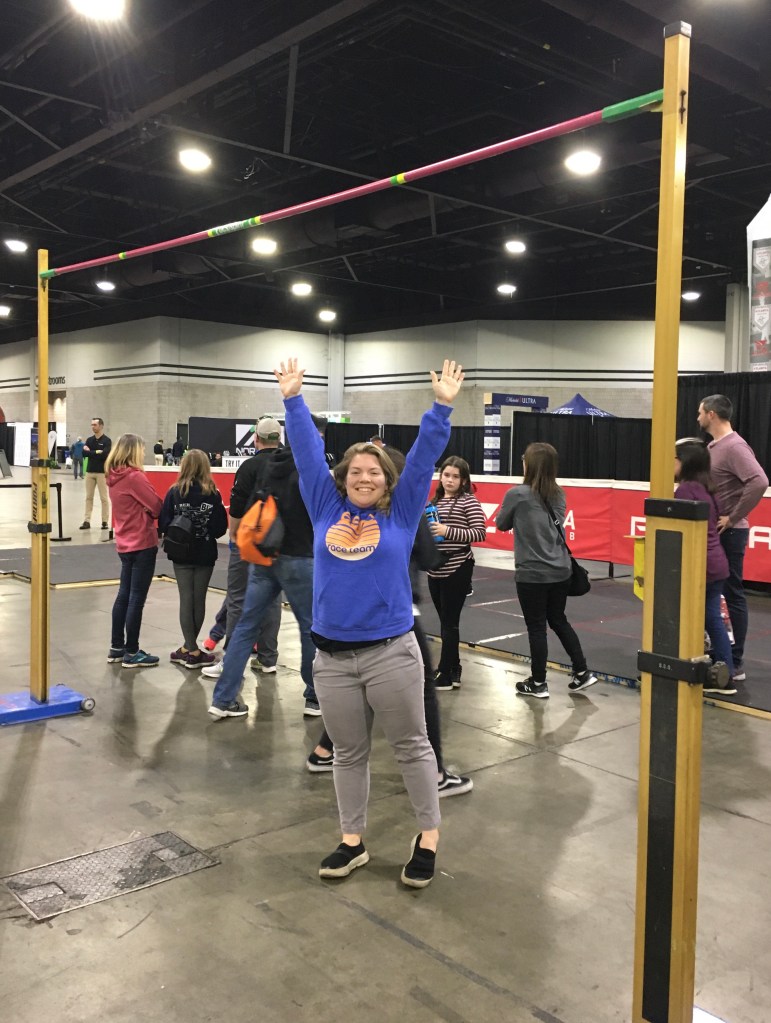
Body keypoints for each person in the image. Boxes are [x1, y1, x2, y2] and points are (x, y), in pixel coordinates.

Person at [279, 355, 463, 889]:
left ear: (387, 483)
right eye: (356, 471)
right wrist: (293, 400)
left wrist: (441, 408)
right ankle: (351, 841)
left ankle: (427, 837)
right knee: (348, 753)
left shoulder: (402, 514)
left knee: (412, 746)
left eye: (373, 472)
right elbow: (309, 456)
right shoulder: (323, 506)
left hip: (390, 653)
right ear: (345, 478)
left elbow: (426, 457)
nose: (364, 477)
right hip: (330, 658)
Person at [207, 414, 318, 719]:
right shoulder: (309, 471)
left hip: (264, 556)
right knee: (309, 629)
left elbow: (243, 510)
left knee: (245, 626)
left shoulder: (266, 468)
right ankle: (313, 697)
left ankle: (224, 698)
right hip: (300, 559)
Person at [496, 442, 598, 698]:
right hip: (561, 570)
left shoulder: (517, 494)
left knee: (536, 627)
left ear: (528, 465)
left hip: (532, 573)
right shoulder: (559, 494)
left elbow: (500, 523)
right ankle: (582, 671)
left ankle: (538, 682)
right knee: (558, 619)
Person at [201, 416, 283, 683]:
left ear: (256, 439)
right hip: (279, 544)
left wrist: (234, 536)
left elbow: (236, 508)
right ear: (278, 439)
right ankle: (267, 659)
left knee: (236, 600)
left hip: (248, 542)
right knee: (272, 600)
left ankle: (231, 661)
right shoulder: (289, 465)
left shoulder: (248, 467)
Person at [697, 394, 769, 682]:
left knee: (731, 592)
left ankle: (734, 660)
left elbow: (759, 480)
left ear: (712, 414)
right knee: (715, 594)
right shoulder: (714, 446)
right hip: (716, 532)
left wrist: (734, 517)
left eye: (700, 412)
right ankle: (721, 653)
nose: (698, 417)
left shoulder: (734, 446)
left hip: (730, 533)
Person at [674, 438, 736, 696]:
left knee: (707, 618)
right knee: (711, 618)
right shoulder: (708, 489)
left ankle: (722, 674)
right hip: (716, 563)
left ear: (685, 463)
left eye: (675, 459)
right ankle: (724, 672)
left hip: (701, 566)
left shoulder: (686, 491)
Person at [159, 449, 229, 670]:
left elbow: (163, 523)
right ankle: (192, 650)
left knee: (185, 599)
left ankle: (189, 649)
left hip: (181, 553)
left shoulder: (174, 492)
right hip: (205, 552)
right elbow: (220, 527)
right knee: (199, 600)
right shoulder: (213, 493)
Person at [426, 456, 487, 690]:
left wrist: (446, 530)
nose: (450, 480)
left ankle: (444, 672)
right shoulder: (435, 500)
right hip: (435, 568)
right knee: (445, 622)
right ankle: (454, 668)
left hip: (458, 566)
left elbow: (479, 533)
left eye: (455, 476)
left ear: (463, 480)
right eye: (446, 475)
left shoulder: (469, 502)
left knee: (449, 623)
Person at [105, 434, 163, 668]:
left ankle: (116, 647)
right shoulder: (134, 477)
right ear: (133, 452)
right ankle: (132, 651)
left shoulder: (113, 477)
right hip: (142, 543)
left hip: (124, 542)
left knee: (124, 595)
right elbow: (157, 506)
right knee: (136, 598)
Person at [80, 417, 112, 529]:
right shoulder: (89, 440)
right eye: (92, 425)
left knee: (104, 498)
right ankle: (86, 520)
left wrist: (91, 452)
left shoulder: (107, 441)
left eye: (95, 425)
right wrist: (97, 452)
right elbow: (84, 454)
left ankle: (104, 521)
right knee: (89, 497)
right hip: (90, 472)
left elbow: (105, 455)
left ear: (101, 426)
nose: (93, 427)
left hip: (102, 473)